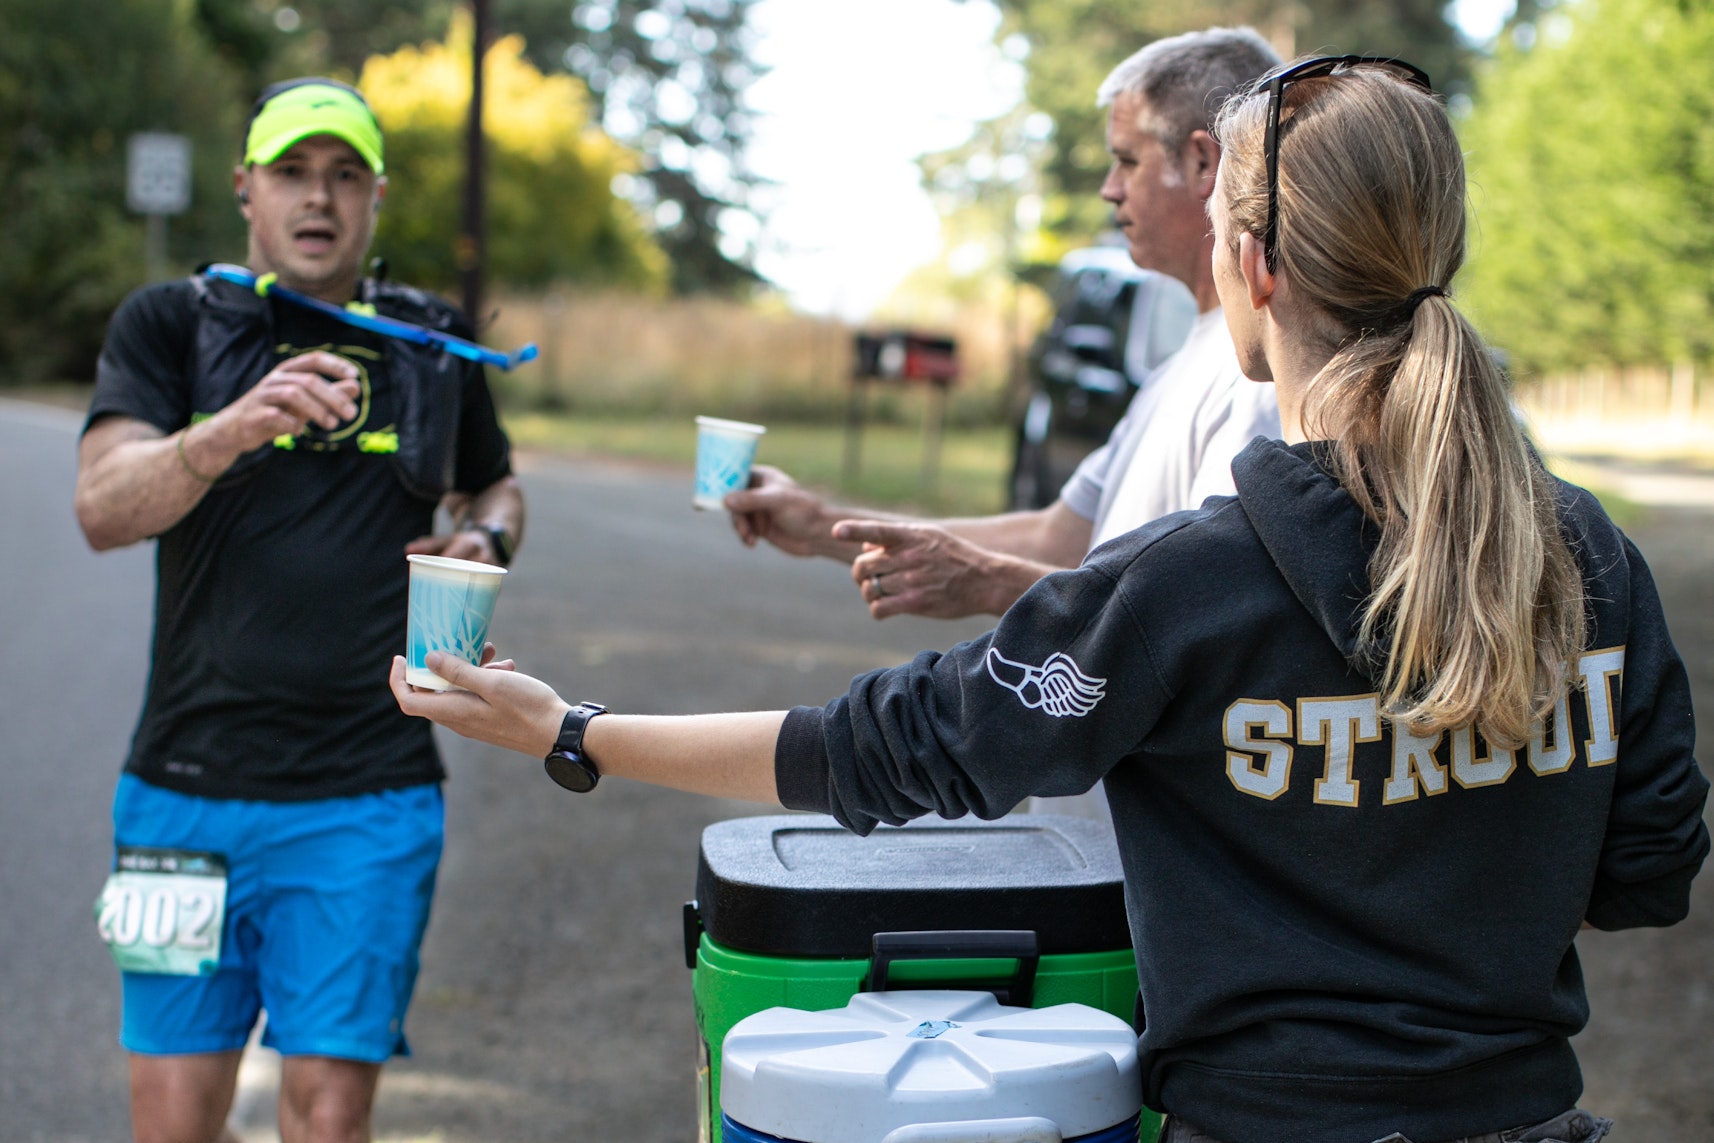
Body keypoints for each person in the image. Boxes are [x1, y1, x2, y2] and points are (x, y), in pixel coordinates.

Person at [392, 57, 1708, 1143]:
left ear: (1250, 263)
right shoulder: (1583, 555)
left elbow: (878, 748)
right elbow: (1641, 872)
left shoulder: (1195, 582)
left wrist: (571, 729)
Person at [76, 78, 523, 1143]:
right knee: (174, 1126)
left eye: (344, 176)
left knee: (326, 1121)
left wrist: (486, 538)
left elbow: (496, 483)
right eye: (291, 172)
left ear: (375, 197)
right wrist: (223, 432)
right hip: (181, 799)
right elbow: (101, 507)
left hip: (365, 802)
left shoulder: (433, 342)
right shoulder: (172, 324)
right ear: (245, 189)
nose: (317, 198)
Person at [726, 27, 1282, 624]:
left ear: (1203, 162)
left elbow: (1210, 612)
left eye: (1126, 160)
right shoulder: (1180, 370)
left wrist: (990, 585)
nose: (1108, 189)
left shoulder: (1260, 382)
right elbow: (1060, 539)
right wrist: (817, 527)